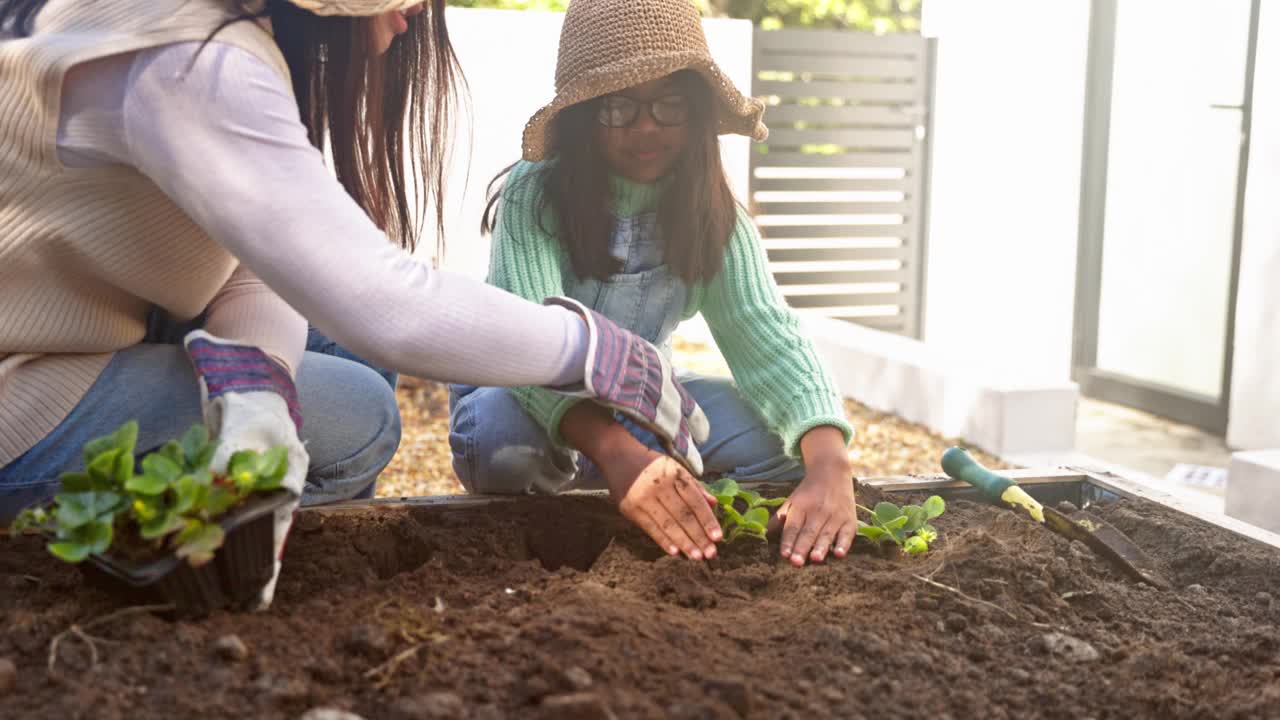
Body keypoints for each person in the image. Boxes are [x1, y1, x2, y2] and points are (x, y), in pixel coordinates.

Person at [0, 0, 705, 573]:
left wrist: (256, 397)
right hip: (22, 396)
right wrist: (596, 349)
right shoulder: (196, 65)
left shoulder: (205, 30)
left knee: (338, 353)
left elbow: (256, 265)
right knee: (362, 411)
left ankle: (254, 527)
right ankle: (214, 559)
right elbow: (384, 304)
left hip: (70, 329)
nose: (413, 12)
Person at [449, 0, 858, 568]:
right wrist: (618, 455)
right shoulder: (535, 195)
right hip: (529, 404)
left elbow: (767, 338)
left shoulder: (713, 214)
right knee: (498, 441)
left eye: (669, 105)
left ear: (695, 113)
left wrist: (831, 468)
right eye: (619, 107)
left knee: (785, 438)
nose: (646, 127)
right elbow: (526, 347)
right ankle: (587, 500)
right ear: (585, 114)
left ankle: (666, 498)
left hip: (643, 408)